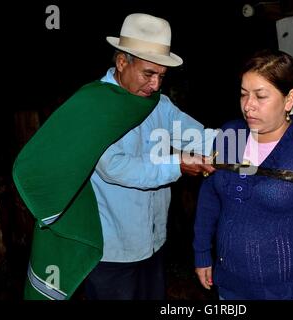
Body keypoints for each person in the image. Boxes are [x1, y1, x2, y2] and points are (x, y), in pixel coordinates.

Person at [193, 49, 293, 300]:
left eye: (260, 96)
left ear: (289, 99)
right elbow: (209, 198)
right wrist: (201, 253)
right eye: (243, 94)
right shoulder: (230, 134)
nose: (248, 106)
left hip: (284, 292)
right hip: (229, 286)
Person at [83, 13, 216, 300]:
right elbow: (115, 167)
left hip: (152, 244)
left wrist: (249, 140)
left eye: (161, 76)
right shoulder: (96, 106)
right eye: (148, 74)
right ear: (122, 62)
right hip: (111, 251)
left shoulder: (157, 104)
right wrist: (177, 164)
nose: (156, 85)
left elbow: (196, 135)